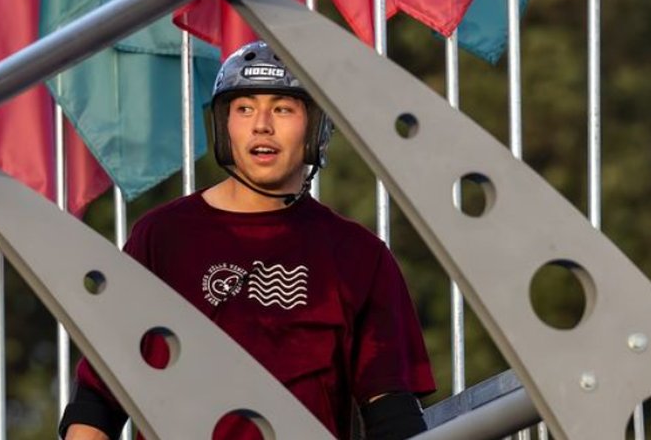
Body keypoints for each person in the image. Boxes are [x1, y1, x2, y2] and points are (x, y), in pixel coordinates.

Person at [60, 41, 435, 440]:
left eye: (283, 108)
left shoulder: (359, 256)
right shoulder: (161, 237)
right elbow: (99, 398)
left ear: (316, 127)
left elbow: (390, 411)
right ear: (225, 126)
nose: (262, 124)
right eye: (244, 108)